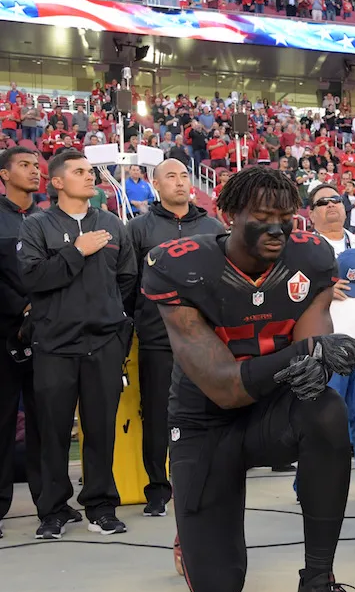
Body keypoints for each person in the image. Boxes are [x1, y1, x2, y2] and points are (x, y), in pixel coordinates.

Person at [142, 167, 355, 592]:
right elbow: (225, 386)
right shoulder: (180, 265)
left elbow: (312, 339)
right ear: (228, 214)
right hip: (205, 421)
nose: (276, 228)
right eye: (262, 216)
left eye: (285, 217)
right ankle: (191, 532)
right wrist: (305, 353)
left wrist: (317, 362)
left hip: (271, 411)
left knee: (327, 410)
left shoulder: (310, 257)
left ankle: (317, 583)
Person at [18, 150, 137, 540]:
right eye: (80, 172)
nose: (90, 177)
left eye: (91, 171)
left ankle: (101, 506)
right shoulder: (37, 226)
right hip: (54, 343)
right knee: (52, 431)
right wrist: (76, 251)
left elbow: (127, 281)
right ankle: (53, 510)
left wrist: (116, 324)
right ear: (56, 182)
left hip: (103, 342)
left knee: (101, 429)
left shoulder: (113, 226)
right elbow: (33, 278)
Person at [127, 158, 224, 517]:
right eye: (171, 176)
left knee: (209, 410)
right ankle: (158, 488)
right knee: (157, 413)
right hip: (157, 337)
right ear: (156, 184)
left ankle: (208, 481)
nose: (181, 182)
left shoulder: (213, 226)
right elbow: (127, 283)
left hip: (205, 338)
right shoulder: (139, 229)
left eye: (185, 175)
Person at [307, 183, 355, 498]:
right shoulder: (303, 248)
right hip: (326, 352)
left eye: (336, 200)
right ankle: (313, 487)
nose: (331, 206)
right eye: (322, 202)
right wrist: (321, 291)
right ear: (310, 214)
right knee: (322, 424)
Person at [0, 147, 43, 537]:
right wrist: (21, 310)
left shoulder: (47, 218)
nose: (35, 171)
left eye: (37, 165)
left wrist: (38, 311)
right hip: (5, 332)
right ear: (4, 174)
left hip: (46, 332)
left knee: (45, 419)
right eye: (25, 165)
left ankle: (48, 504)